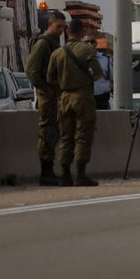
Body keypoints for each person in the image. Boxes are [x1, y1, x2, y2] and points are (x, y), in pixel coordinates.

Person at [46, 16, 105, 186]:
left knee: (66, 136)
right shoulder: (87, 51)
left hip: (64, 98)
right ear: (82, 32)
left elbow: (51, 78)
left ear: (67, 31)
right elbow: (99, 74)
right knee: (83, 136)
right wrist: (84, 81)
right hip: (82, 98)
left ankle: (65, 174)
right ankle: (80, 173)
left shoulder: (57, 53)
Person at [25, 11, 67, 186]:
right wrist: (45, 89)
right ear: (50, 25)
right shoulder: (43, 44)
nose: (61, 30)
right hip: (48, 96)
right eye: (58, 26)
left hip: (56, 95)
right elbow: (31, 71)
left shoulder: (55, 43)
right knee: (47, 132)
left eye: (63, 27)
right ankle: (46, 172)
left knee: (54, 132)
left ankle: (50, 170)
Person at [92, 40, 113, 110]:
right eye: (86, 41)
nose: (89, 44)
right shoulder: (80, 58)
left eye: (92, 41)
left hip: (102, 98)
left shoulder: (106, 58)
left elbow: (112, 78)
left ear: (95, 43)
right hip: (86, 98)